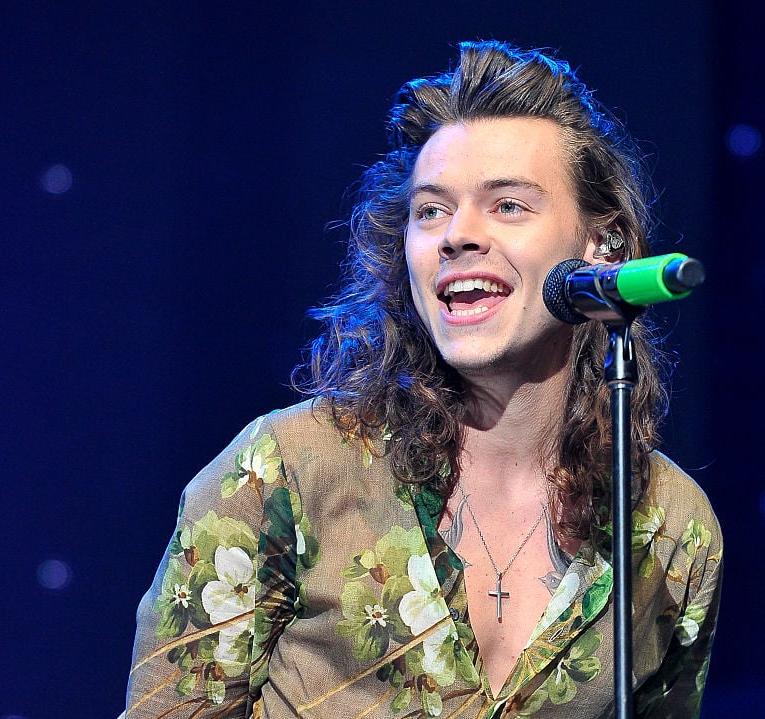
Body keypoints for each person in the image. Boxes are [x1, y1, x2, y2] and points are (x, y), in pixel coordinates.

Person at [125, 40, 722, 718]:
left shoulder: (671, 529)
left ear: (600, 247)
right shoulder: (284, 475)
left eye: (508, 205)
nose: (456, 234)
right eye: (431, 210)